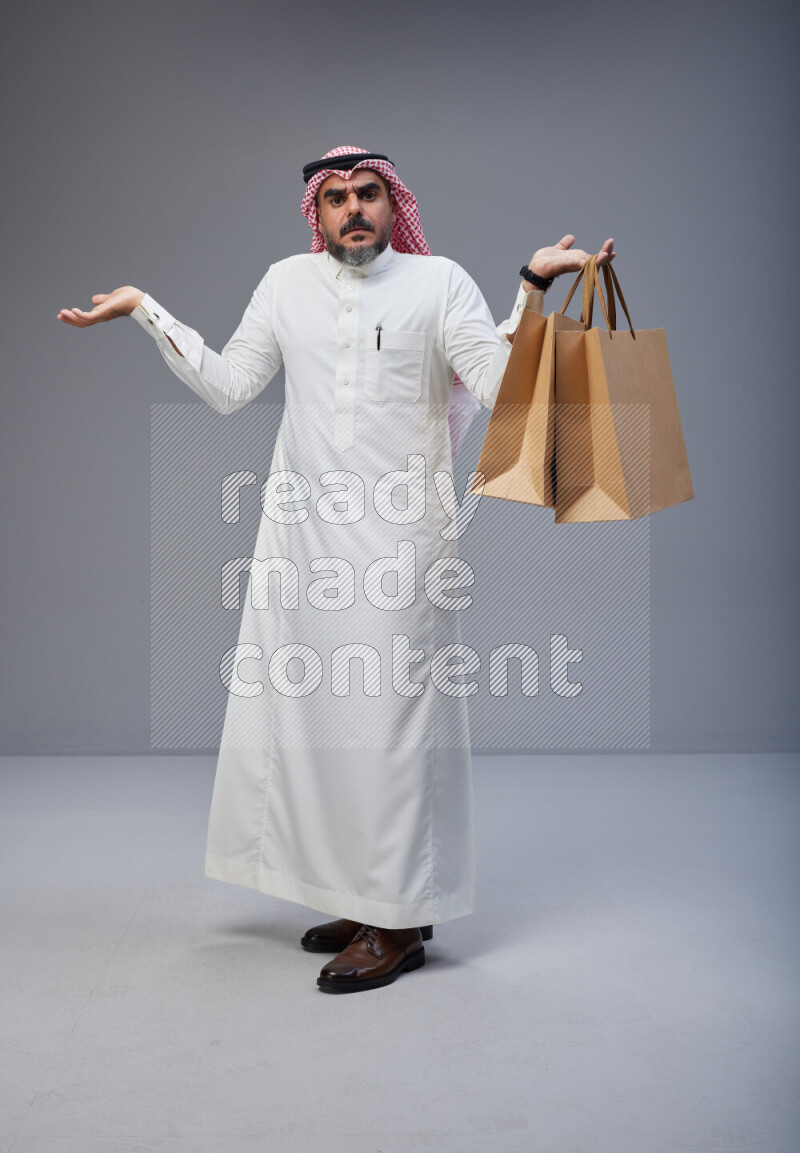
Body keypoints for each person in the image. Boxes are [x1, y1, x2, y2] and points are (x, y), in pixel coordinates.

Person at [57, 146, 616, 994]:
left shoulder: (440, 285)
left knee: (391, 730)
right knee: (325, 725)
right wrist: (145, 310)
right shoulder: (286, 284)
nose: (353, 208)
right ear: (316, 214)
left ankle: (397, 923)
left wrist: (531, 290)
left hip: (402, 546)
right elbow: (229, 385)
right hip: (303, 543)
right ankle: (369, 897)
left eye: (369, 194)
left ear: (394, 205)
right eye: (337, 198)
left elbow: (504, 385)